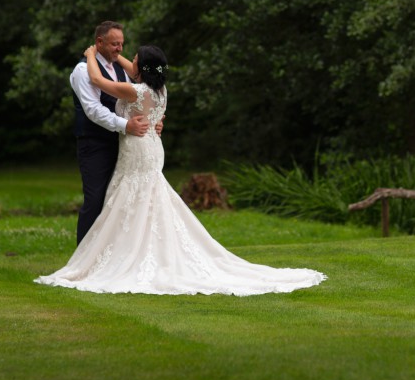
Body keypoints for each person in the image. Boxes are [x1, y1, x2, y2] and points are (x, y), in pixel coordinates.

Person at [36, 45, 326, 295]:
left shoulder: (134, 90)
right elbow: (137, 68)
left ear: (140, 68)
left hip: (138, 149)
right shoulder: (160, 90)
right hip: (151, 147)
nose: (128, 61)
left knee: (133, 197)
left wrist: (90, 54)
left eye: (133, 59)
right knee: (146, 198)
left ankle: (128, 255)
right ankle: (138, 249)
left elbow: (98, 79)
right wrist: (119, 55)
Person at [69, 21, 161, 245]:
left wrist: (156, 121)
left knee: (122, 199)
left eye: (122, 44)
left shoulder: (126, 70)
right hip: (96, 143)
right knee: (96, 199)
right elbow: (93, 109)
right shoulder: (83, 70)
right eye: (114, 44)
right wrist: (125, 125)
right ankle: (84, 256)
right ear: (99, 42)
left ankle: (117, 253)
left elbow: (145, 97)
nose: (120, 49)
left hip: (127, 144)